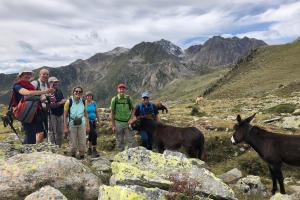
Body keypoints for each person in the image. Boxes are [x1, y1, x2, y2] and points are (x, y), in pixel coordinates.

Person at [12, 70, 54, 144]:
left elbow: (33, 99)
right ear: (21, 75)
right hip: (26, 113)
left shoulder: (30, 85)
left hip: (35, 112)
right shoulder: (17, 86)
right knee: (30, 135)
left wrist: (45, 98)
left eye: (29, 74)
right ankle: (27, 153)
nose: (28, 76)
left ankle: (34, 150)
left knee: (40, 133)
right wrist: (45, 92)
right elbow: (27, 93)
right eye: (26, 74)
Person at [63, 86, 90, 159]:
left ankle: (82, 155)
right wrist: (65, 127)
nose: (78, 93)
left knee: (82, 141)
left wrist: (88, 126)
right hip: (71, 123)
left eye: (80, 91)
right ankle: (73, 154)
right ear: (73, 92)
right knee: (73, 142)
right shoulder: (69, 102)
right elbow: (65, 115)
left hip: (82, 123)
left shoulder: (84, 101)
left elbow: (86, 114)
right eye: (76, 91)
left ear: (82, 93)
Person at [110, 83, 135, 152]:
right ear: (118, 90)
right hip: (118, 122)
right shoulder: (114, 99)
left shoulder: (128, 98)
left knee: (130, 140)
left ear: (125, 90)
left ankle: (131, 156)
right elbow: (112, 112)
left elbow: (133, 109)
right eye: (120, 89)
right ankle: (121, 155)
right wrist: (113, 125)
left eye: (123, 89)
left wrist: (131, 119)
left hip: (127, 123)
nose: (121, 90)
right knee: (119, 141)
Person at [31, 68, 50, 142]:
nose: (45, 75)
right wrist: (44, 98)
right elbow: (30, 96)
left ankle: (40, 147)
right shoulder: (35, 83)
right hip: (36, 110)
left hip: (44, 110)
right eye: (44, 74)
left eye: (47, 74)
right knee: (39, 131)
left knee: (43, 131)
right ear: (39, 75)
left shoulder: (46, 84)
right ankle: (37, 150)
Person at [47, 76, 66, 147]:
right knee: (52, 132)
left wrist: (63, 102)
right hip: (52, 114)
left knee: (60, 132)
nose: (56, 83)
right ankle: (51, 147)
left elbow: (62, 100)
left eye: (57, 82)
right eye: (54, 82)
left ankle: (59, 147)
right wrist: (61, 102)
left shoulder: (59, 91)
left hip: (60, 114)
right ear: (50, 83)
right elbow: (52, 106)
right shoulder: (49, 92)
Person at [85, 91, 100, 158]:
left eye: (90, 96)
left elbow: (96, 111)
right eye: (88, 96)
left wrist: (98, 120)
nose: (89, 97)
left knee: (91, 135)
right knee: (94, 134)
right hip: (87, 121)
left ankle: (89, 149)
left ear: (92, 96)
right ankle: (94, 150)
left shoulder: (94, 103)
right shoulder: (84, 103)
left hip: (93, 121)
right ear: (86, 97)